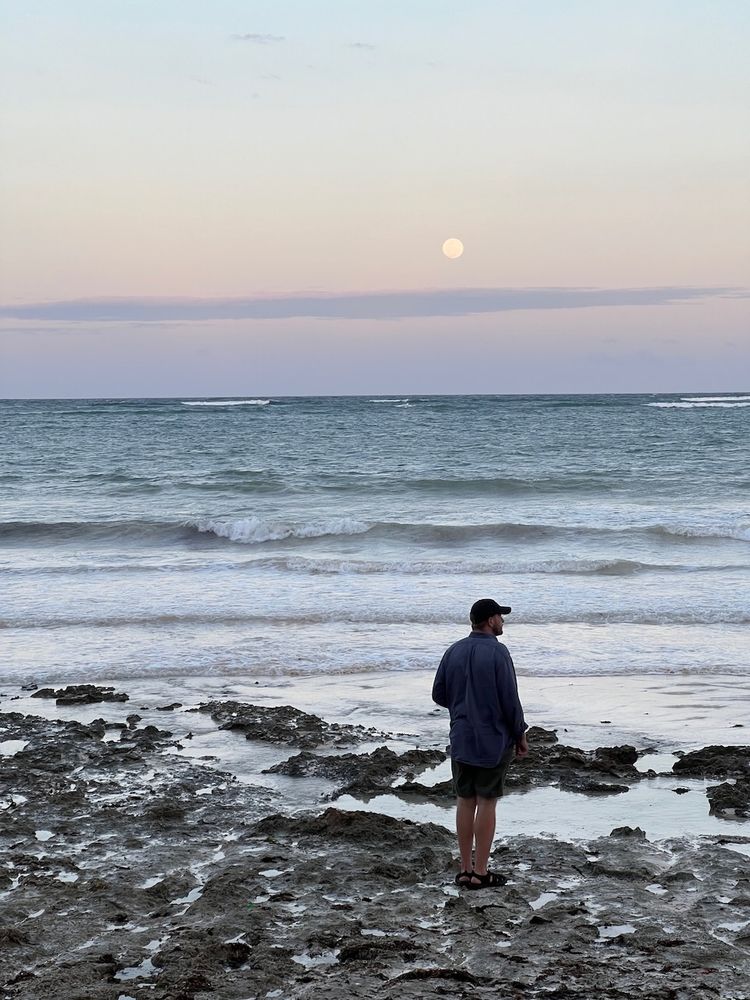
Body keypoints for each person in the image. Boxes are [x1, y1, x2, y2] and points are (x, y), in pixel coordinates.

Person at [432, 598, 528, 889]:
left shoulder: (454, 650)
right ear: (490, 620)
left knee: (464, 800)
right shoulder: (499, 653)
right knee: (487, 801)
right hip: (493, 738)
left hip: (461, 736)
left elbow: (439, 694)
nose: (503, 621)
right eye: (500, 616)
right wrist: (520, 734)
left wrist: (463, 707)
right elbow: (510, 700)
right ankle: (481, 872)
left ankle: (464, 869)